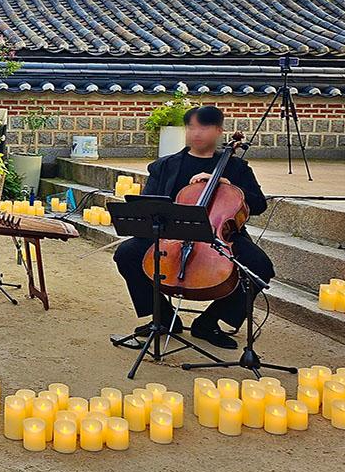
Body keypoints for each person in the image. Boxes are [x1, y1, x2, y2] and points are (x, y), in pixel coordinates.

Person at [111, 105, 272, 349]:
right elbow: (149, 203)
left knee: (260, 267)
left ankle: (209, 322)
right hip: (171, 234)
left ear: (218, 131)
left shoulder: (236, 168)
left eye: (204, 127)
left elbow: (259, 204)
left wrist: (228, 184)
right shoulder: (165, 166)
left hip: (221, 233)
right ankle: (163, 318)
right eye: (192, 127)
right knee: (127, 254)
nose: (196, 133)